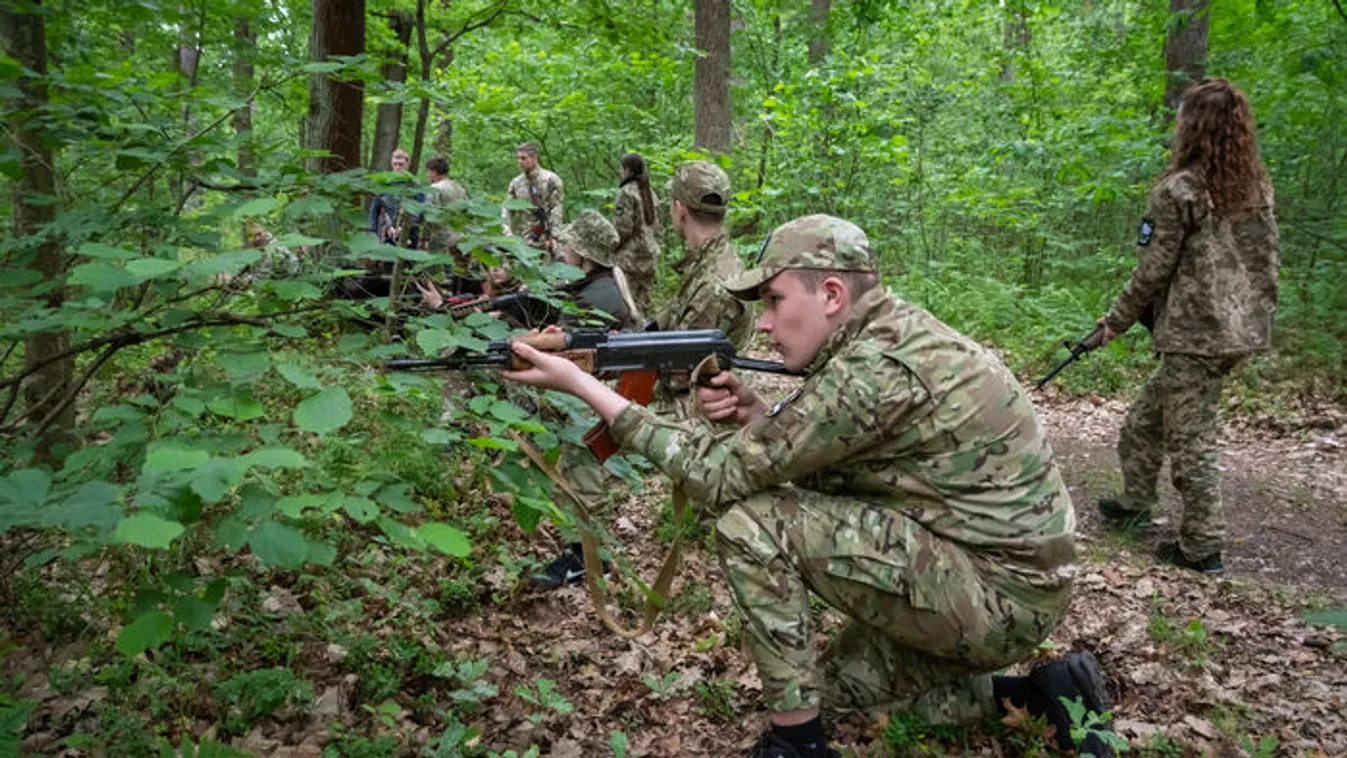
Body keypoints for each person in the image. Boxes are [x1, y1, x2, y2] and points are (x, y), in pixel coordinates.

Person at [501, 214, 1114, 758]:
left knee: (751, 521)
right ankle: (1039, 697)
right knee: (840, 695)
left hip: (998, 595)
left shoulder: (876, 367)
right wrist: (759, 417)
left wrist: (587, 388)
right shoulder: (891, 336)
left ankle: (796, 743)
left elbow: (718, 475)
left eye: (773, 301)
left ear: (831, 294)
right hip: (1001, 581)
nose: (764, 324)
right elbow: (852, 456)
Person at [527, 161, 753, 590]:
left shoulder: (714, 280)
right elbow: (661, 330)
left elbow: (679, 370)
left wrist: (607, 380)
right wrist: (595, 346)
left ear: (678, 209)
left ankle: (586, 555)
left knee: (583, 436)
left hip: (695, 403)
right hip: (684, 387)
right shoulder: (708, 264)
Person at [1095, 78, 1280, 575]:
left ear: (1193, 127)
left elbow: (1152, 270)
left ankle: (1202, 545)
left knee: (1191, 438)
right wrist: (1259, 315)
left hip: (1195, 336)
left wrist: (1115, 322)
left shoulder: (1178, 191)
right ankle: (1134, 501)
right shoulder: (1254, 187)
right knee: (1145, 420)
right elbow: (1269, 260)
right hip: (1239, 331)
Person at [611, 152, 662, 314]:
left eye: (621, 168)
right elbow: (657, 227)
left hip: (630, 260)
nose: (620, 172)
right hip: (650, 258)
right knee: (643, 306)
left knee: (627, 306)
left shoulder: (626, 192)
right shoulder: (651, 193)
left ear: (628, 170)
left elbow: (623, 228)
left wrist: (611, 247)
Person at [501, 142, 564, 250]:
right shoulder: (516, 183)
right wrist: (507, 233)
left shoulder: (551, 179)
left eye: (523, 158)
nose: (519, 162)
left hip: (547, 235)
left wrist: (554, 236)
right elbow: (507, 208)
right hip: (524, 237)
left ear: (534, 158)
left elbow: (556, 208)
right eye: (518, 158)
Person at [369, 148, 423, 248]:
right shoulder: (384, 184)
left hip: (409, 233)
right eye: (395, 164)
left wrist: (405, 227)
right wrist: (375, 232)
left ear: (407, 164)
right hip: (387, 232)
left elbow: (420, 211)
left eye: (401, 164)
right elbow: (374, 209)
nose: (397, 167)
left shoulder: (414, 184)